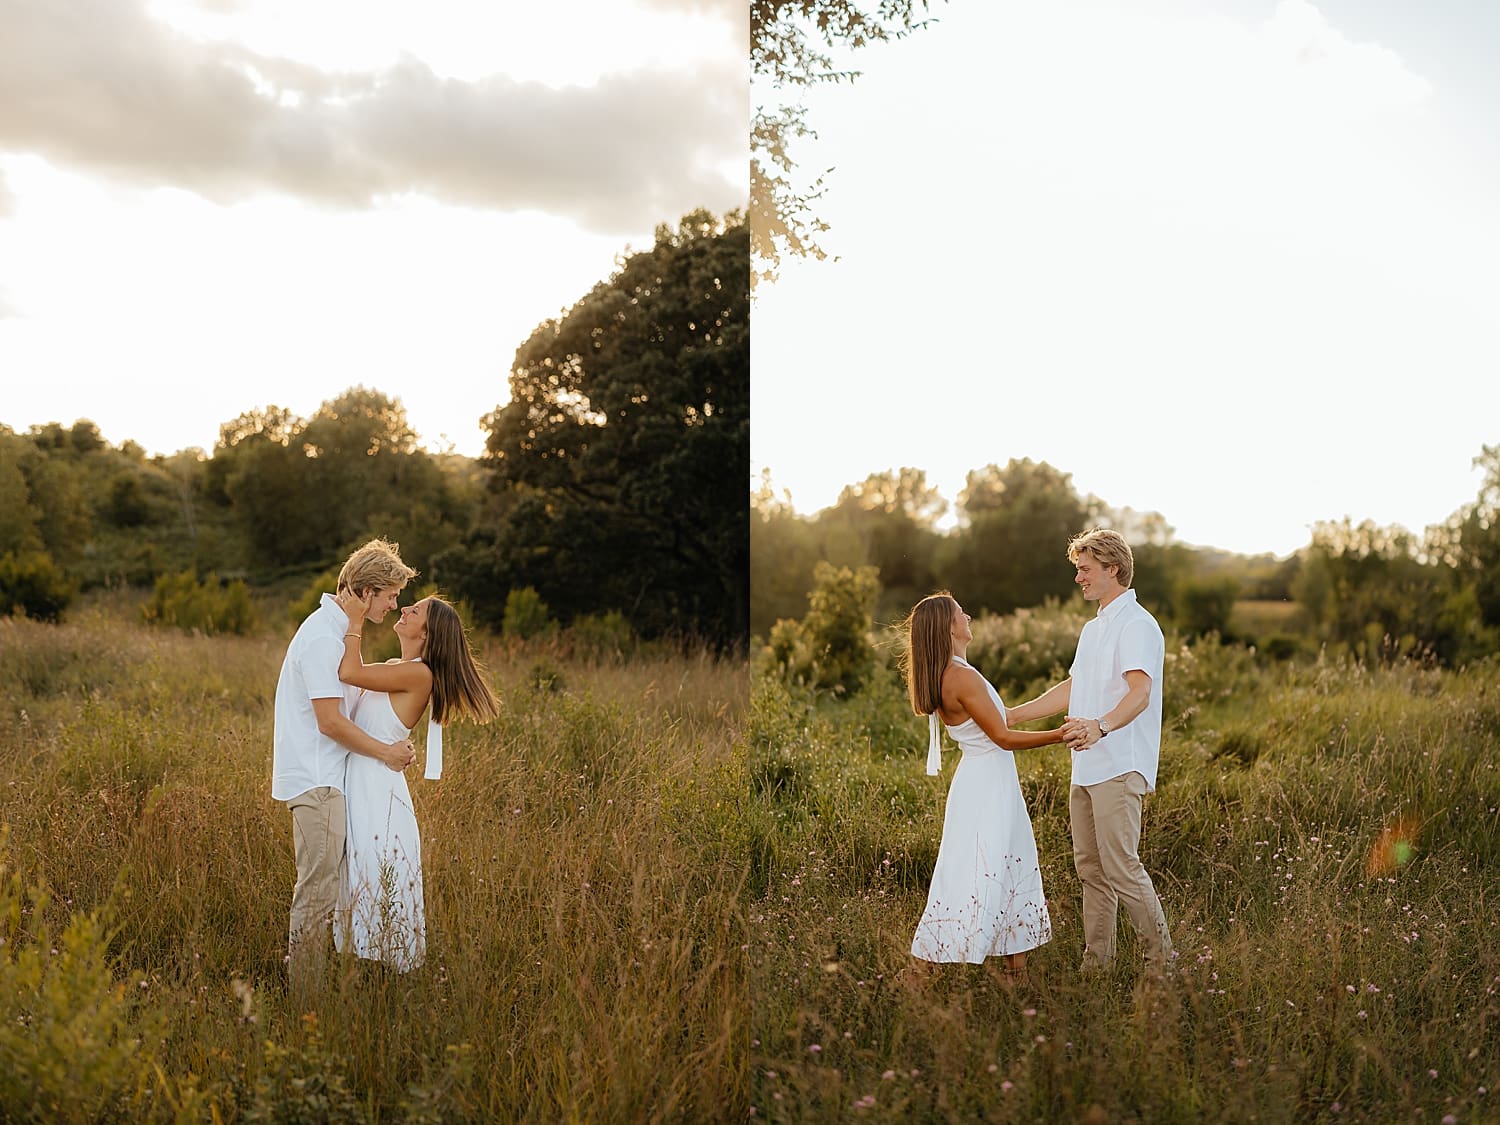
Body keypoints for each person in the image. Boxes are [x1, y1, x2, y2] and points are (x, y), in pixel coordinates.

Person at [1007, 528, 1173, 976]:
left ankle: (1164, 969)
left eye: (1085, 569)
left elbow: (1140, 694)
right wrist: (1012, 715)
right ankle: (1097, 967)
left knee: (1122, 868)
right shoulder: (1093, 628)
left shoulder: (1137, 625)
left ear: (1112, 569)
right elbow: (1074, 687)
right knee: (1091, 870)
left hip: (1119, 766)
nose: (1078, 578)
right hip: (1085, 768)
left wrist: (1100, 726)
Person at [271, 538, 418, 991]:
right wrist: (387, 752)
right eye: (390, 595)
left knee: (327, 890)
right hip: (317, 784)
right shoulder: (320, 636)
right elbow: (331, 722)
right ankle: (306, 999)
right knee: (317, 892)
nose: (395, 606)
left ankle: (314, 986)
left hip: (330, 782)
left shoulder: (336, 633)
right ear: (366, 589)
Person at [332, 588, 501, 971]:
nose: (405, 608)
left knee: (375, 884)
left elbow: (349, 672)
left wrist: (355, 619)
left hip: (378, 794)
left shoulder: (418, 673)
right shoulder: (399, 666)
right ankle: (364, 975)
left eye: (417, 610)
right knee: (360, 882)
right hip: (364, 785)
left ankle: (380, 983)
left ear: (426, 634)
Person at [901, 591, 1065, 978]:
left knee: (1007, 866)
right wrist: (1060, 735)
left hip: (986, 782)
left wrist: (1067, 695)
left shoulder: (952, 672)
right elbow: (1003, 737)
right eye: (962, 613)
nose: (968, 616)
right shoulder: (960, 676)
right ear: (948, 626)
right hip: (987, 785)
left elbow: (1002, 718)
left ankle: (1015, 975)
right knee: (978, 871)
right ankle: (919, 974)